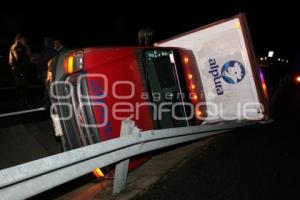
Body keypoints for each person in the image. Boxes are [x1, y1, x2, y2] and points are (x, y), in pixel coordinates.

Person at [8, 34, 31, 108]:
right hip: (19, 70)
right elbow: (19, 59)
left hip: (18, 69)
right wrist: (28, 54)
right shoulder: (17, 47)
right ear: (19, 40)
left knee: (21, 86)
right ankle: (23, 103)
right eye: (24, 40)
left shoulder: (17, 47)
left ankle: (23, 102)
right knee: (22, 86)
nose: (25, 41)